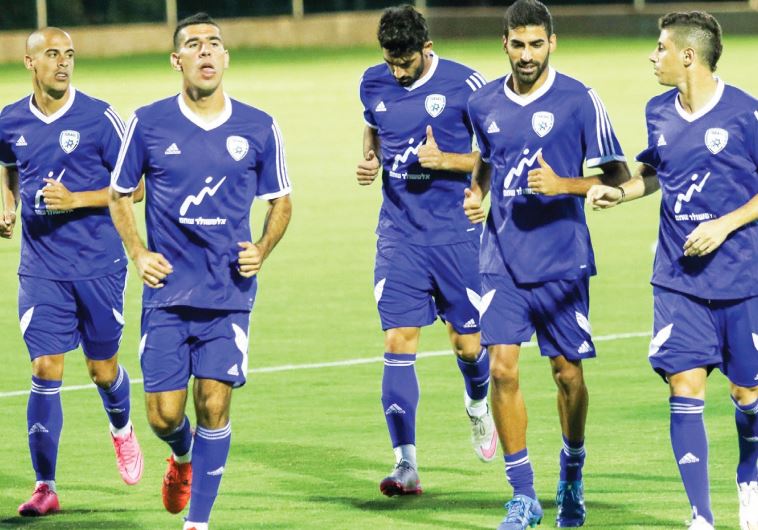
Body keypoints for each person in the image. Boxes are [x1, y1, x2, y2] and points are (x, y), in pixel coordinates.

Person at [109, 12, 292, 530]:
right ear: (177, 60)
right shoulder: (148, 122)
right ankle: (182, 455)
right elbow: (119, 195)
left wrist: (262, 248)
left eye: (214, 43)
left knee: (214, 405)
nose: (206, 51)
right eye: (194, 44)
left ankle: (198, 522)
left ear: (225, 57)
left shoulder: (258, 126)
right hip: (167, 293)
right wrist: (138, 253)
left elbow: (281, 200)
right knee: (164, 415)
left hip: (228, 293)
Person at [587, 11, 758, 530]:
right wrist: (620, 192)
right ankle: (700, 517)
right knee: (684, 386)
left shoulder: (746, 113)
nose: (652, 56)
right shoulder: (657, 110)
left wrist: (724, 225)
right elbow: (657, 171)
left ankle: (750, 478)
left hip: (742, 280)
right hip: (677, 278)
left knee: (748, 396)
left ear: (688, 55)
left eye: (660, 47)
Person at [463, 0, 630, 527]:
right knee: (501, 368)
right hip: (500, 257)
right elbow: (487, 160)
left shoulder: (580, 99)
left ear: (552, 42)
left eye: (537, 44)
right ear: (504, 43)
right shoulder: (482, 102)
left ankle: (572, 471)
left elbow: (621, 177)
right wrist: (476, 193)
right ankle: (523, 494)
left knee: (567, 375)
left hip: (561, 259)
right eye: (518, 44)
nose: (527, 55)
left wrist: (566, 185)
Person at [0, 27, 145, 517]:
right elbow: (8, 163)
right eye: (52, 54)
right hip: (41, 268)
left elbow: (136, 187)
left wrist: (76, 199)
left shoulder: (100, 118)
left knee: (103, 370)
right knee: (45, 368)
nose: (63, 62)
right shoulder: (10, 119)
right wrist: (8, 204)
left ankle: (121, 428)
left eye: (69, 54)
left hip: (98, 266)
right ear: (30, 61)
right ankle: (45, 486)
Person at [356, 4, 498, 497]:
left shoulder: (468, 84)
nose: (398, 72)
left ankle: (478, 403)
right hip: (400, 236)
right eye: (391, 63)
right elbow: (374, 127)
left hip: (457, 235)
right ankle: (406, 464)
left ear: (427, 48)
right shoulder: (371, 83)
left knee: (469, 346)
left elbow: (495, 153)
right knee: (398, 341)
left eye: (406, 63)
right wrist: (370, 157)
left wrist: (447, 161)